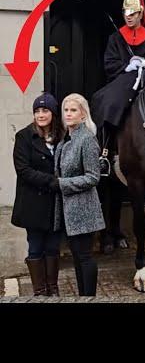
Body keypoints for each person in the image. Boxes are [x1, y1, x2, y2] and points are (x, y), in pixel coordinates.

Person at [91, 0, 145, 173]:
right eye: (125, 14)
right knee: (108, 101)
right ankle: (105, 151)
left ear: (140, 14)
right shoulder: (115, 38)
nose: (128, 17)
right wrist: (128, 65)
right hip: (124, 78)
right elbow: (109, 64)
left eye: (132, 14)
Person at [11, 93, 65, 296]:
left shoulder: (61, 135)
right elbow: (23, 170)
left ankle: (53, 288)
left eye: (45, 110)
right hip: (33, 204)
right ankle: (40, 292)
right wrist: (53, 182)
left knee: (53, 247)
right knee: (35, 247)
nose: (41, 115)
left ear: (53, 113)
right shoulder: (24, 136)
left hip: (55, 204)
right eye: (37, 111)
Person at [53, 93, 106, 296]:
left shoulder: (87, 139)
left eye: (73, 110)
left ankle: (89, 298)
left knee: (84, 257)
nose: (68, 114)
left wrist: (62, 184)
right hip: (70, 211)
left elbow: (93, 177)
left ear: (83, 115)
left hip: (84, 209)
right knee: (77, 257)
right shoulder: (66, 139)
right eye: (66, 110)